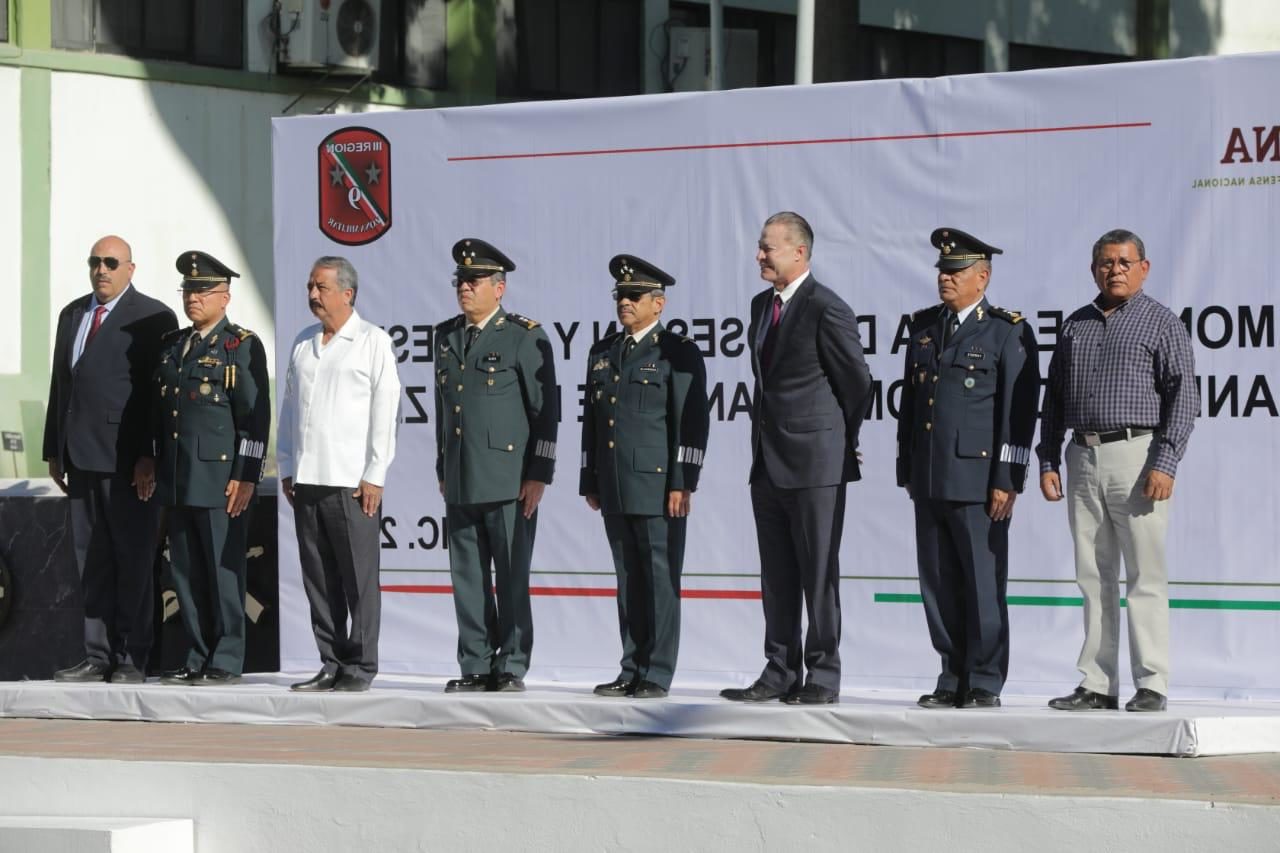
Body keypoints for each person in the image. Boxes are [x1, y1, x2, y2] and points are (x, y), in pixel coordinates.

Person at [1037, 229, 1197, 713]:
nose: (1116, 270)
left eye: (1126, 262)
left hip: (1138, 455)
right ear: (1093, 270)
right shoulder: (1075, 326)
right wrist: (1048, 458)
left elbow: (1184, 398)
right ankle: (1097, 683)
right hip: (1082, 456)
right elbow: (1055, 400)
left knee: (1144, 574)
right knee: (1093, 574)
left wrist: (1165, 462)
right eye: (1107, 262)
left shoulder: (1161, 323)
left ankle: (1152, 682)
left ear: (1144, 268)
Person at [721, 211, 873, 706]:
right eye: (760, 247)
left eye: (768, 247)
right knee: (777, 572)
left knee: (818, 572)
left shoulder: (827, 307)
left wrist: (835, 438)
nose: (759, 255)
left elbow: (857, 383)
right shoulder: (760, 306)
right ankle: (779, 669)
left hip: (816, 463)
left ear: (799, 252)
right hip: (767, 462)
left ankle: (823, 675)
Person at [897, 228, 1040, 710]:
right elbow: (912, 407)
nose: (945, 277)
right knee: (937, 583)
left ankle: (983, 679)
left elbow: (1017, 417)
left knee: (981, 583)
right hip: (930, 477)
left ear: (983, 276)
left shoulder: (1006, 330)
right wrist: (907, 469)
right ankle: (951, 673)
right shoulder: (922, 327)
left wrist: (1008, 479)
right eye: (942, 270)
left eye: (955, 271)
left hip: (979, 484)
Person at [43, 235, 177, 683]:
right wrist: (53, 449)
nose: (102, 270)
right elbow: (62, 385)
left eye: (111, 262)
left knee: (134, 558)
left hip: (126, 462)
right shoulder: (73, 313)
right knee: (91, 560)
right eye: (95, 262)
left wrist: (148, 454)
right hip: (79, 458)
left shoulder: (153, 316)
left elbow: (155, 396)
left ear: (130, 269)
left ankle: (132, 657)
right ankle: (97, 654)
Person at [580, 255, 710, 700]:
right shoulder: (603, 351)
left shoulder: (677, 352)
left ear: (659, 303)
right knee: (628, 581)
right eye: (621, 295)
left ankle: (657, 672)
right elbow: (592, 422)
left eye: (635, 296)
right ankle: (630, 666)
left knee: (659, 580)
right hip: (616, 484)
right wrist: (590, 478)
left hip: (658, 487)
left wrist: (683, 480)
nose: (625, 303)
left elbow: (690, 421)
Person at [434, 239, 558, 693]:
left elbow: (545, 411)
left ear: (499, 289)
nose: (464, 289)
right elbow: (445, 408)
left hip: (508, 480)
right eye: (460, 282)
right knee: (467, 578)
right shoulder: (445, 336)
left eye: (474, 281)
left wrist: (538, 474)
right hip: (462, 476)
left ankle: (512, 663)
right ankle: (475, 664)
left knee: (509, 576)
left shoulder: (523, 335)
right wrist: (442, 464)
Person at [279, 257, 400, 693]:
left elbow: (385, 413)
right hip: (308, 479)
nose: (313, 295)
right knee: (319, 578)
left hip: (351, 482)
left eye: (322, 287)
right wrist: (289, 465)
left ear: (347, 293)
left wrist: (374, 473)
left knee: (358, 578)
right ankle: (330, 661)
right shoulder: (303, 342)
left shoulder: (372, 342)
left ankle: (361, 665)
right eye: (310, 286)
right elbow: (290, 410)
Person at [153, 251, 270, 686]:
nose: (193, 297)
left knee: (223, 572)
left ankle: (227, 655)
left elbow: (254, 418)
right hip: (178, 479)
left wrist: (246, 474)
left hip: (221, 481)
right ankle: (197, 652)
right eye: (188, 290)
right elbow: (162, 414)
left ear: (225, 296)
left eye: (203, 290)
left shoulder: (240, 345)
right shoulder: (173, 346)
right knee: (184, 570)